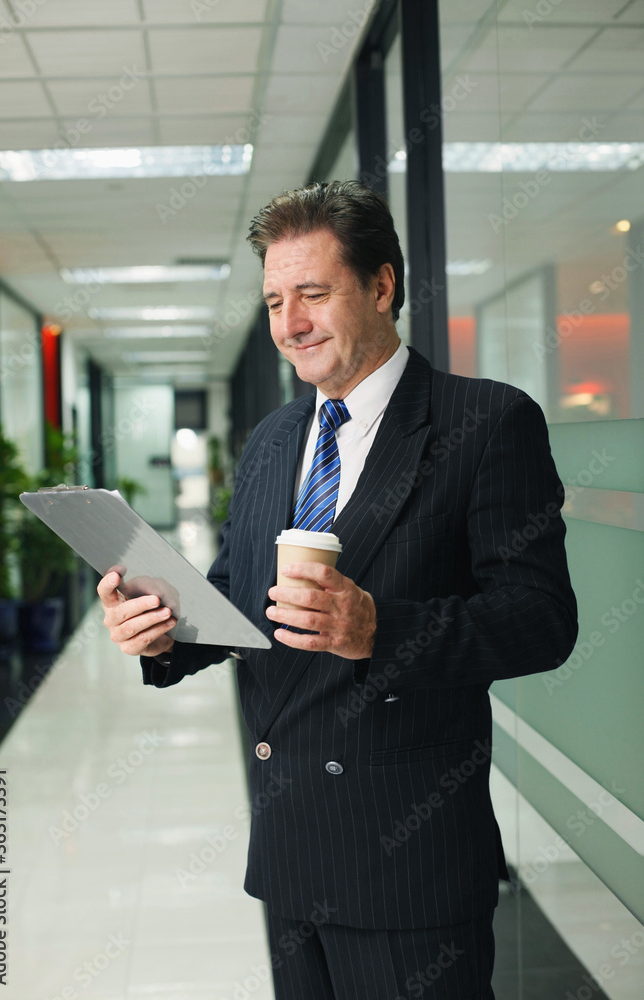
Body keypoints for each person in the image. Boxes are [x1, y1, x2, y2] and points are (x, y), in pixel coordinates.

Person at [98, 180, 578, 999]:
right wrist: (165, 630)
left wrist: (378, 628)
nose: (289, 325)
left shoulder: (485, 422)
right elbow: (237, 593)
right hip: (289, 850)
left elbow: (540, 621)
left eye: (313, 294)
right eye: (276, 300)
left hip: (408, 860)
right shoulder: (274, 437)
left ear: (382, 286)